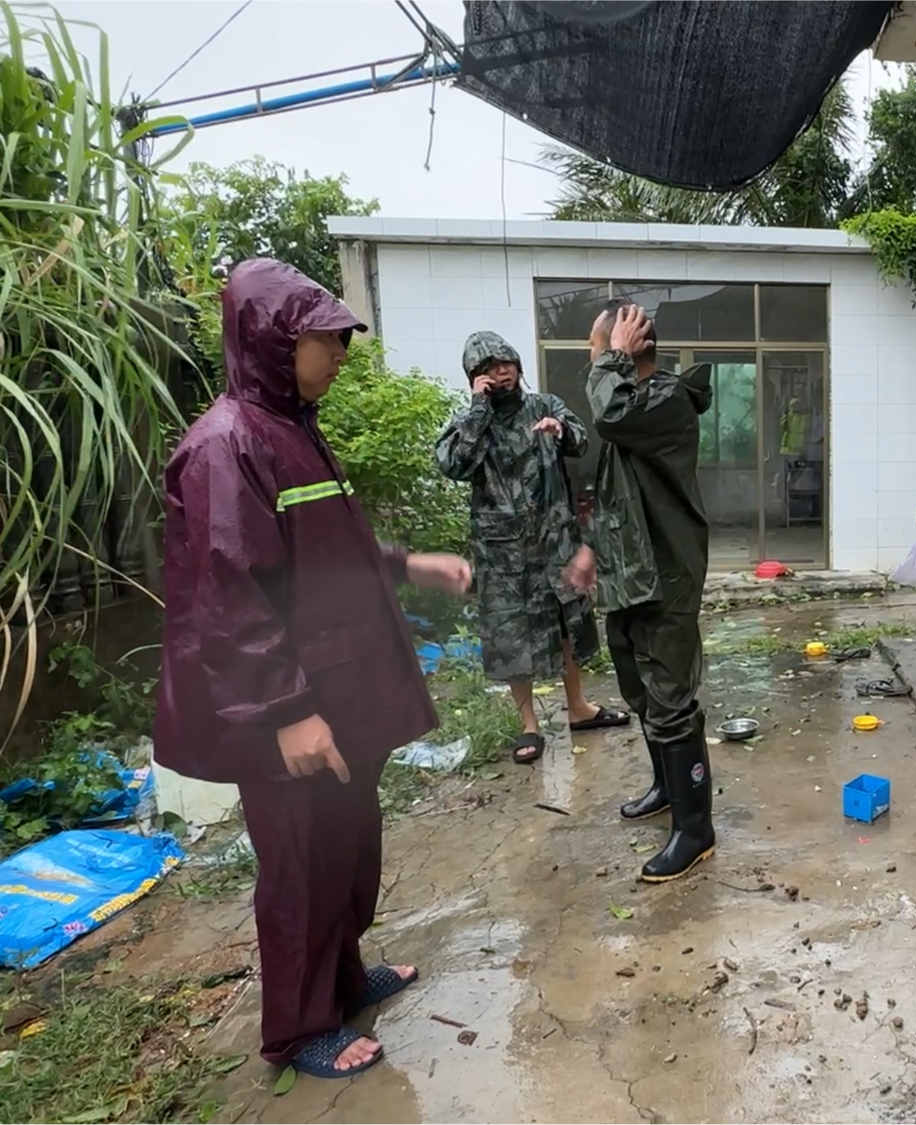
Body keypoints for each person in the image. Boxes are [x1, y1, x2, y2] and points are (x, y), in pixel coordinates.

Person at [152, 258, 474, 1079]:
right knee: (300, 865)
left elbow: (330, 553)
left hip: (339, 689)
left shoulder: (293, 430)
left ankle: (343, 979)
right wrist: (287, 711)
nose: (338, 355)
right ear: (271, 339)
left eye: (340, 340)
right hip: (288, 706)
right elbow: (230, 595)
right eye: (324, 340)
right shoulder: (225, 445)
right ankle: (298, 1030)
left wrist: (408, 565)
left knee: (346, 846)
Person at [563, 301, 716, 883]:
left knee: (671, 700)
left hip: (665, 575)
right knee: (641, 691)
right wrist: (591, 549)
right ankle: (666, 787)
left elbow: (608, 416)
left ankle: (695, 831)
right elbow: (616, 492)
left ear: (628, 345)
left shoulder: (663, 400)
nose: (592, 356)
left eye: (596, 345)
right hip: (629, 572)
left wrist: (615, 357)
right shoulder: (631, 402)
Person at [437, 331, 631, 763]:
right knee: (512, 635)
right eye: (488, 369)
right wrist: (478, 410)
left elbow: (581, 440)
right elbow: (454, 465)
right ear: (475, 378)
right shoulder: (470, 422)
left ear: (518, 365)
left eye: (505, 364)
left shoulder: (544, 405)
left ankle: (579, 708)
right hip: (501, 553)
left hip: (554, 541)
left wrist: (560, 430)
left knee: (566, 625)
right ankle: (529, 725)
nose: (500, 373)